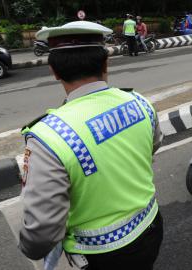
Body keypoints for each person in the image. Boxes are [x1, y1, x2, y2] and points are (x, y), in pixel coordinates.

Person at [18, 21, 164, 270]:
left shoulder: (49, 136)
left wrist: (29, 248)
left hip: (102, 254)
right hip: (151, 226)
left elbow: (40, 234)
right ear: (105, 64)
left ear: (54, 70)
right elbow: (151, 146)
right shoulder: (139, 102)